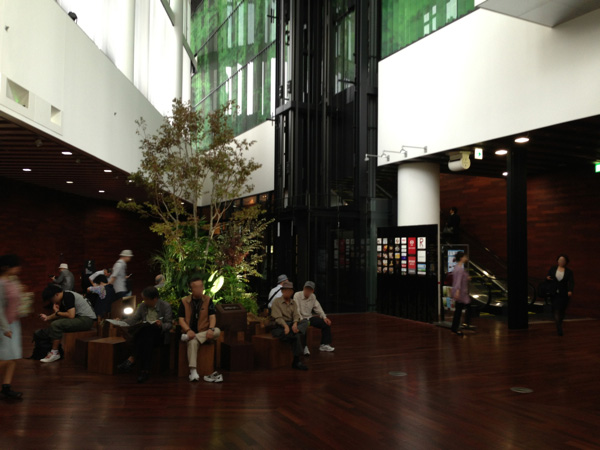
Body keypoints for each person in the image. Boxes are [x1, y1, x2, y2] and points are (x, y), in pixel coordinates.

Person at [117, 286, 173, 383]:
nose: (144, 301)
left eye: (146, 299)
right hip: (146, 337)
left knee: (146, 332)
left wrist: (161, 324)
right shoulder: (143, 306)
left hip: (159, 336)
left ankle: (131, 359)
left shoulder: (165, 306)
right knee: (146, 335)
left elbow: (169, 324)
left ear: (155, 299)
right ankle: (145, 371)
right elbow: (134, 319)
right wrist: (121, 321)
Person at [178, 275, 223, 383]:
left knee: (217, 331)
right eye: (196, 287)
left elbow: (212, 317)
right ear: (191, 289)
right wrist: (188, 330)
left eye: (201, 286)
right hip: (190, 332)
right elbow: (181, 319)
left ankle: (189, 337)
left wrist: (211, 329)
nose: (200, 289)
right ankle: (193, 372)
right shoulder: (184, 301)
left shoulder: (208, 300)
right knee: (192, 342)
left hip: (205, 332)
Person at [39, 284, 97, 363]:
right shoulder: (65, 295)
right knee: (55, 322)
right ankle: (55, 349)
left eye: (51, 299)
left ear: (56, 294)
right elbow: (61, 314)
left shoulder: (67, 296)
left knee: (56, 324)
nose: (52, 302)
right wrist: (47, 317)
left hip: (86, 320)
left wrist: (57, 312)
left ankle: (55, 352)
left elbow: (70, 315)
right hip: (81, 318)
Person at [0, 255, 28, 399]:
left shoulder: (12, 280)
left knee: (13, 356)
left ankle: (6, 387)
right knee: (5, 358)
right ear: (7, 267)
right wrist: (5, 329)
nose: (19, 268)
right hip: (4, 325)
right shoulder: (1, 283)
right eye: (16, 265)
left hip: (14, 323)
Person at [271, 281, 309, 370]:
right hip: (280, 326)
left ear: (292, 292)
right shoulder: (277, 301)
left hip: (291, 325)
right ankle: (297, 361)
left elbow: (296, 315)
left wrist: (295, 323)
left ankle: (296, 330)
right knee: (296, 336)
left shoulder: (293, 302)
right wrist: (285, 326)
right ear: (282, 291)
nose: (287, 292)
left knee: (305, 322)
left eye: (289, 291)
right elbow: (278, 317)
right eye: (285, 290)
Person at [293, 281, 334, 355]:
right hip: (300, 318)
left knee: (325, 324)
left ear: (312, 291)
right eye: (306, 289)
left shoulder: (313, 296)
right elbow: (296, 309)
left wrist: (324, 317)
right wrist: (301, 320)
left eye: (310, 290)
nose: (307, 291)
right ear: (303, 288)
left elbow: (318, 307)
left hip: (309, 317)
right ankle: (305, 347)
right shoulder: (297, 295)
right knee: (304, 326)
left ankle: (324, 344)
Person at [546, 254, 574, 336]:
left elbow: (571, 282)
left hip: (563, 292)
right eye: (560, 260)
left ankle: (559, 322)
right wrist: (547, 278)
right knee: (556, 309)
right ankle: (559, 327)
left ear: (566, 262)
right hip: (554, 292)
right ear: (557, 261)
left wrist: (570, 290)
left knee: (562, 310)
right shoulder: (553, 269)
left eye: (563, 260)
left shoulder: (569, 271)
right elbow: (548, 277)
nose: (561, 261)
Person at [450, 251, 471, 336]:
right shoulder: (460, 269)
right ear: (461, 258)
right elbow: (458, 281)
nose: (466, 258)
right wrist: (458, 291)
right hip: (461, 293)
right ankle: (462, 325)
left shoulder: (456, 267)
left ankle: (455, 327)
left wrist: (467, 277)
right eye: (465, 257)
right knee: (462, 309)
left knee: (459, 310)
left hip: (460, 292)